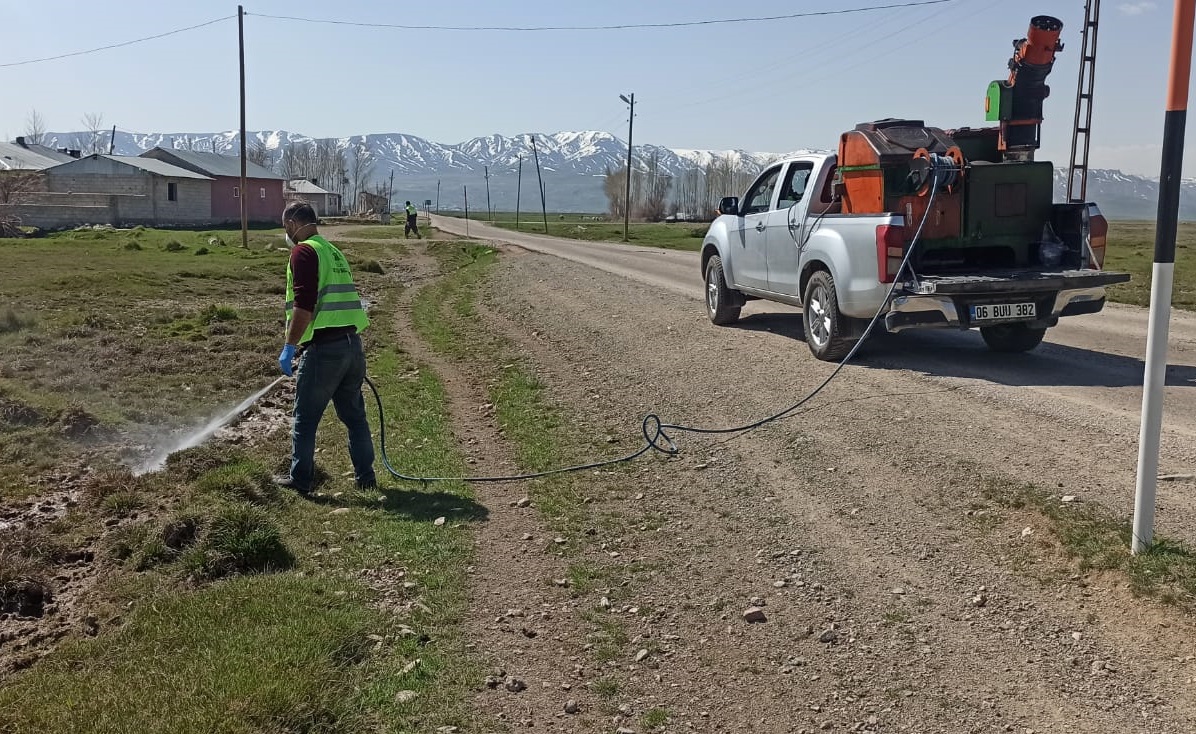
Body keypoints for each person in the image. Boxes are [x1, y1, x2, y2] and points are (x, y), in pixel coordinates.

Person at [274, 201, 377, 494]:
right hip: (351, 347)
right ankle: (366, 478)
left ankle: (300, 480)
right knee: (355, 417)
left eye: (285, 228)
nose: (287, 234)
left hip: (325, 351)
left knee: (305, 419)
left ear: (293, 223)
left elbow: (303, 306)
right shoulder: (333, 251)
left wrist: (289, 346)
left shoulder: (304, 251)